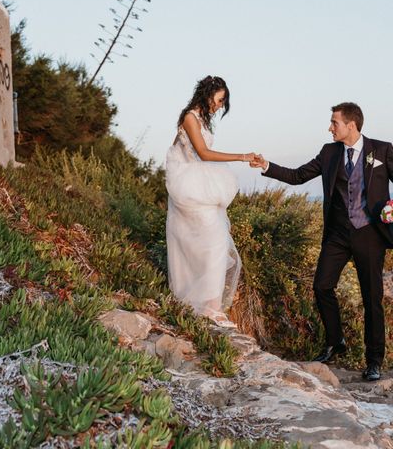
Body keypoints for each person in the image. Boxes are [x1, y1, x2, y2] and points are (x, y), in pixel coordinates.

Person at [252, 102, 393, 381]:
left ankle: (374, 360)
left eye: (334, 123)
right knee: (321, 286)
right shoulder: (329, 153)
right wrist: (266, 165)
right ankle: (335, 341)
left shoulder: (382, 150)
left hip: (369, 233)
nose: (330, 127)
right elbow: (297, 176)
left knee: (372, 298)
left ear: (351, 125)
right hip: (338, 235)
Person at [166, 75, 257, 326]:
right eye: (219, 100)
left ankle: (210, 305)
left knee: (214, 242)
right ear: (207, 95)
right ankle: (207, 305)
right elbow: (203, 153)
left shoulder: (202, 119)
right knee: (212, 242)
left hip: (199, 182)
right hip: (188, 184)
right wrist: (241, 156)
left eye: (222, 102)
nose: (219, 106)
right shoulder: (190, 117)